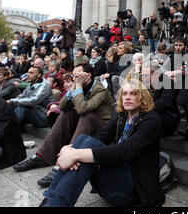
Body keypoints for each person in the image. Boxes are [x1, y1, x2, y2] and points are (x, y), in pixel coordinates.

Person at [39, 79, 165, 207]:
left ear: (143, 97)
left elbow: (124, 151)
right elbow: (102, 136)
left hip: (133, 189)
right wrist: (71, 149)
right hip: (114, 181)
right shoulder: (122, 115)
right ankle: (50, 202)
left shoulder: (151, 121)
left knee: (87, 146)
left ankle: (53, 203)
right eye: (125, 94)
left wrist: (75, 154)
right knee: (84, 139)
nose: (127, 97)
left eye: (133, 94)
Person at [14, 64, 114, 184]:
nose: (75, 78)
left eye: (78, 75)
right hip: (86, 125)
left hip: (104, 128)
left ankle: (66, 160)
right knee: (67, 113)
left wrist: (77, 87)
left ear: (88, 76)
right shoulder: (79, 87)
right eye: (74, 75)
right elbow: (62, 106)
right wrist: (73, 90)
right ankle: (42, 156)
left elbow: (82, 109)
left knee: (87, 115)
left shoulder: (100, 90)